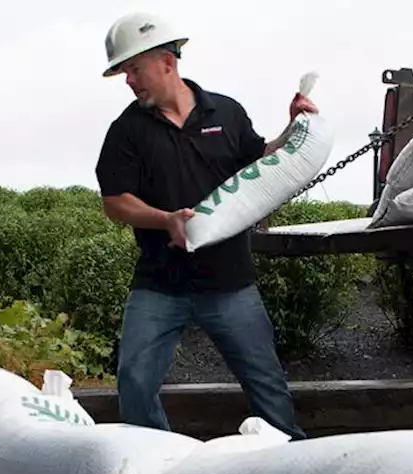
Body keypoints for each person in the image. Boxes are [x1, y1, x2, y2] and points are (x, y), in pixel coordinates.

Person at [95, 12, 311, 440]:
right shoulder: (127, 131)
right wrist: (165, 220)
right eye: (124, 72)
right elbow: (115, 203)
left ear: (166, 63)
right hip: (159, 283)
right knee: (135, 382)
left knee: (267, 386)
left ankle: (290, 465)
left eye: (133, 70)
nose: (129, 81)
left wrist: (295, 126)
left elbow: (261, 161)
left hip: (230, 282)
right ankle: (154, 464)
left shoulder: (226, 113)